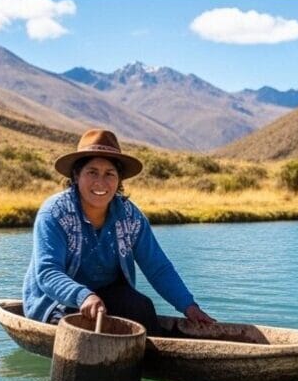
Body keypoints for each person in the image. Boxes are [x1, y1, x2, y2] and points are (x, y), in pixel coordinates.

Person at [23, 129, 215, 332]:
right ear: (77, 175)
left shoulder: (130, 217)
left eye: (109, 174)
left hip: (107, 297)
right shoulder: (55, 213)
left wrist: (188, 306)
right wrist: (84, 296)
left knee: (141, 307)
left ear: (119, 180)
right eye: (92, 172)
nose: (100, 182)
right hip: (57, 301)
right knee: (79, 329)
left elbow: (157, 267)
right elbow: (48, 273)